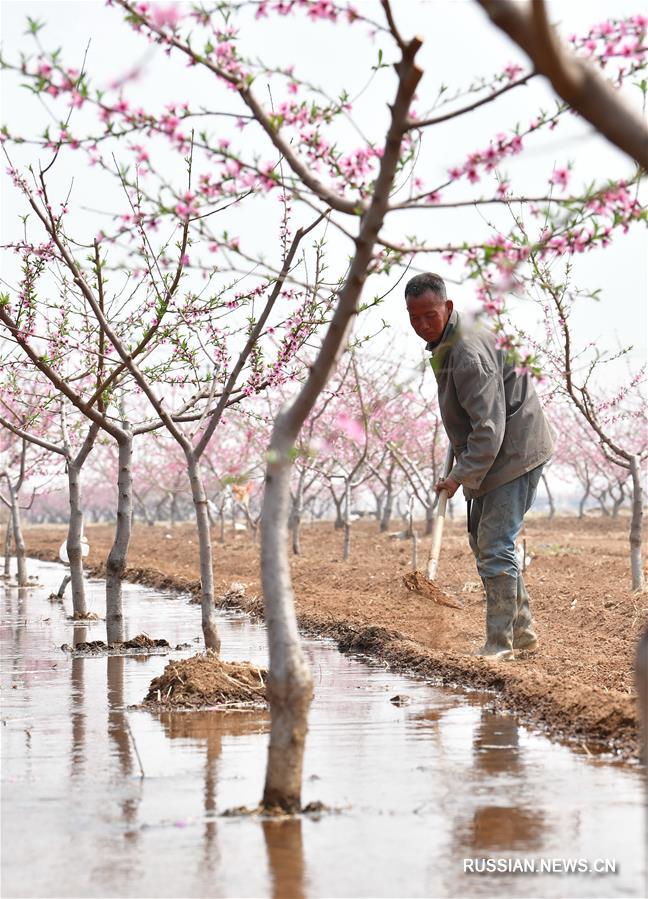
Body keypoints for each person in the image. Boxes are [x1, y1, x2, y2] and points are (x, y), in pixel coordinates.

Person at [405, 272, 554, 661]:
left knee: (495, 545)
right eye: (414, 316)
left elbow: (488, 430)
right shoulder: (448, 343)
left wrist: (456, 478)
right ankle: (521, 633)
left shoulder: (467, 353)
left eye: (430, 315)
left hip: (513, 451)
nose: (422, 325)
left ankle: (499, 644)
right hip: (498, 450)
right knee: (484, 542)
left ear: (448, 308)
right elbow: (476, 419)